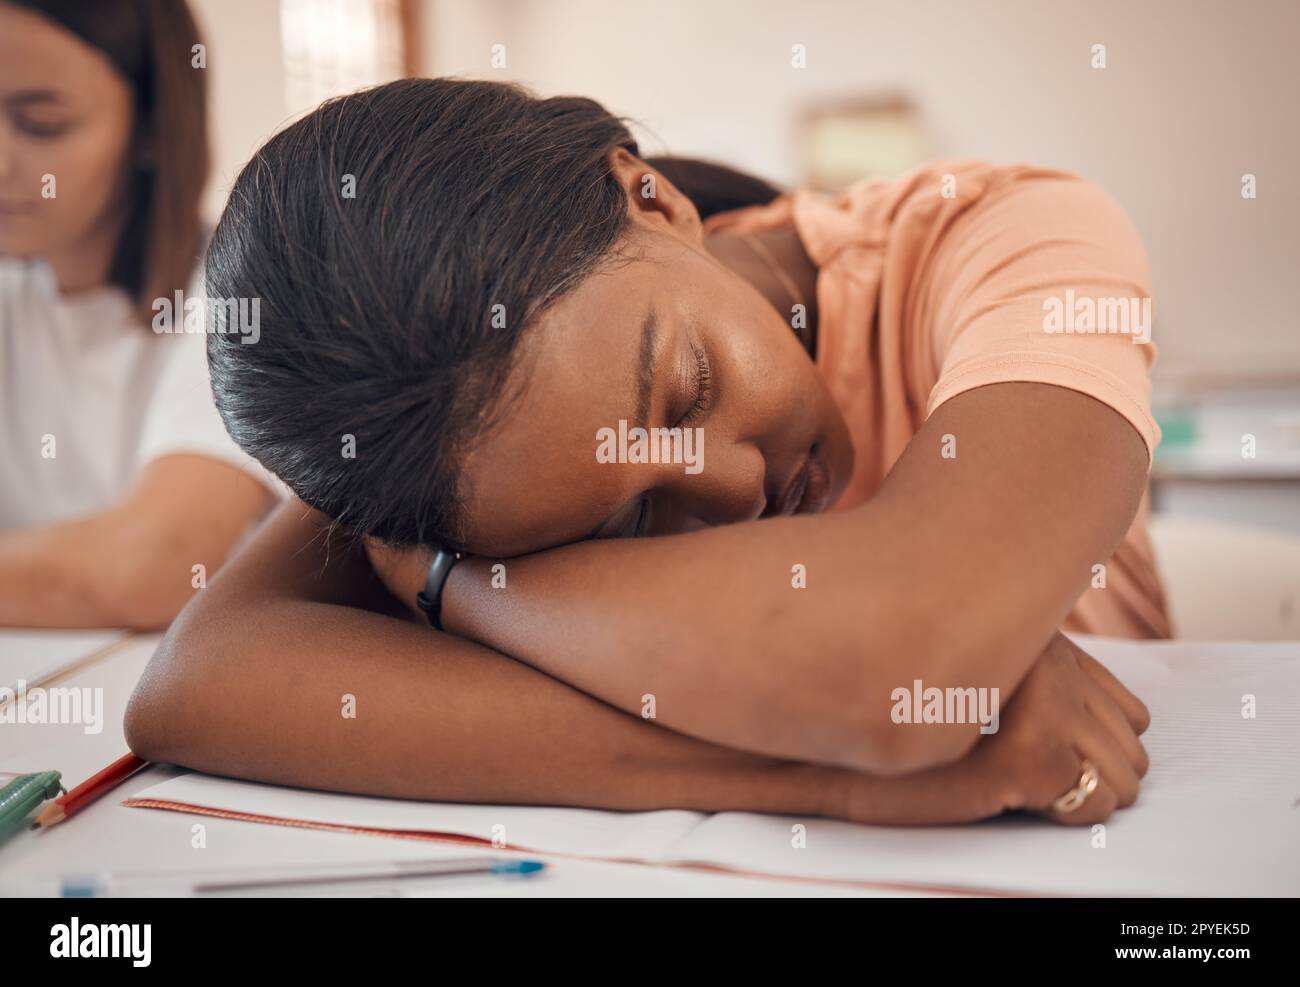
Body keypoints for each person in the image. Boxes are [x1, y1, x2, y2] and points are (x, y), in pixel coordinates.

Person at [127, 78, 1154, 826]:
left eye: (685, 391)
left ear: (652, 197)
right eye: (601, 530)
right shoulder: (446, 430)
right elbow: (197, 683)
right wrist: (816, 776)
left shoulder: (1003, 238)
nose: (737, 488)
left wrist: (457, 586)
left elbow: (912, 666)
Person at [0, 0, 273, 629]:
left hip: (164, 701)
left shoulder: (241, 301)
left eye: (41, 124)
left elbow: (150, 567)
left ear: (152, 128)